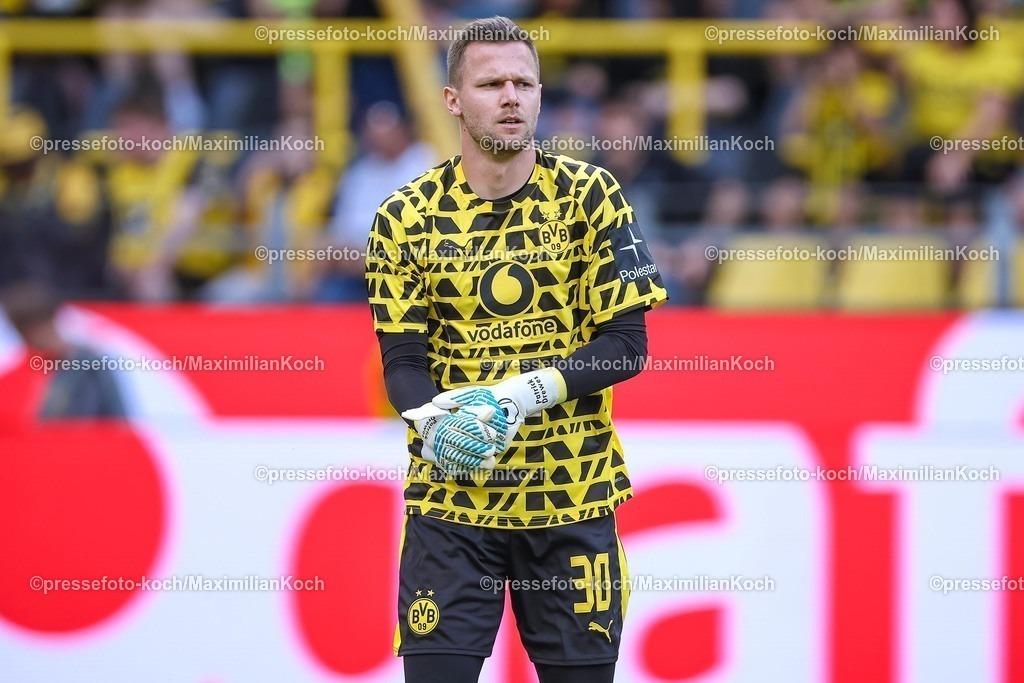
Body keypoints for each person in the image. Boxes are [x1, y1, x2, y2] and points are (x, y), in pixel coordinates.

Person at [365, 16, 667, 683]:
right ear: (453, 100)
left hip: (572, 498)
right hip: (453, 504)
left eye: (524, 82)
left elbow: (625, 345)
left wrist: (516, 395)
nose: (511, 96)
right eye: (491, 82)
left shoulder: (590, 197)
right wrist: (438, 421)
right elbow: (403, 364)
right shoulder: (404, 217)